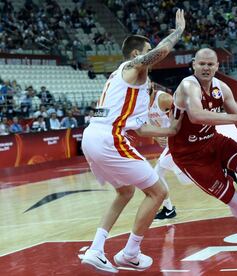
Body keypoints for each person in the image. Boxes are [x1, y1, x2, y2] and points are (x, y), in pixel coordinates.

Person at [80, 9, 186, 273]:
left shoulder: (127, 84)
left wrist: (169, 132)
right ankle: (130, 252)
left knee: (125, 192)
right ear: (136, 54)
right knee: (158, 192)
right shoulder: (130, 68)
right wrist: (178, 32)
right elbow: (159, 53)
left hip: (93, 136)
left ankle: (96, 249)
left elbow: (139, 128)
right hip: (108, 137)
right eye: (147, 50)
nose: (152, 54)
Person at [169, 48, 237, 253]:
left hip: (213, 141)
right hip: (189, 156)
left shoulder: (222, 88)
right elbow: (196, 116)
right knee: (236, 204)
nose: (206, 68)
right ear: (194, 64)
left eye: (210, 64)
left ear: (217, 66)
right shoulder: (188, 85)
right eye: (202, 63)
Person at [147, 81, 192, 220]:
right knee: (157, 175)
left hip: (179, 139)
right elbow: (143, 125)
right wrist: (156, 136)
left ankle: (218, 168)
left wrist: (177, 133)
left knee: (181, 179)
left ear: (152, 88)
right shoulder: (139, 103)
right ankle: (168, 209)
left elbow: (185, 112)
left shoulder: (163, 99)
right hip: (170, 142)